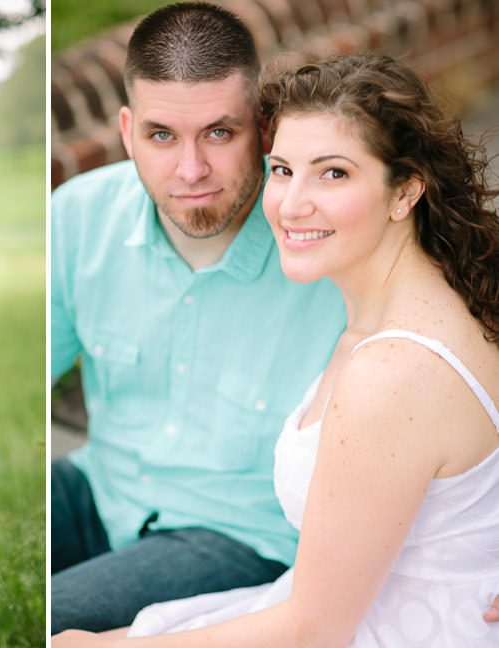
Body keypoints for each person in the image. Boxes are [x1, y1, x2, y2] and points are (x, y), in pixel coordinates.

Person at [54, 52, 499, 647]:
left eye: (334, 173)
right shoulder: (433, 296)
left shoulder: (390, 369)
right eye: (283, 170)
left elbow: (312, 630)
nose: (291, 204)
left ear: (405, 191)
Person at [50, 2, 346, 633]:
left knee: (54, 622)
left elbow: (462, 367)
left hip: (240, 534)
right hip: (105, 489)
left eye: (218, 133)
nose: (190, 171)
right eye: (161, 136)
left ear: (264, 129)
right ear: (127, 130)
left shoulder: (328, 236)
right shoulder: (79, 216)